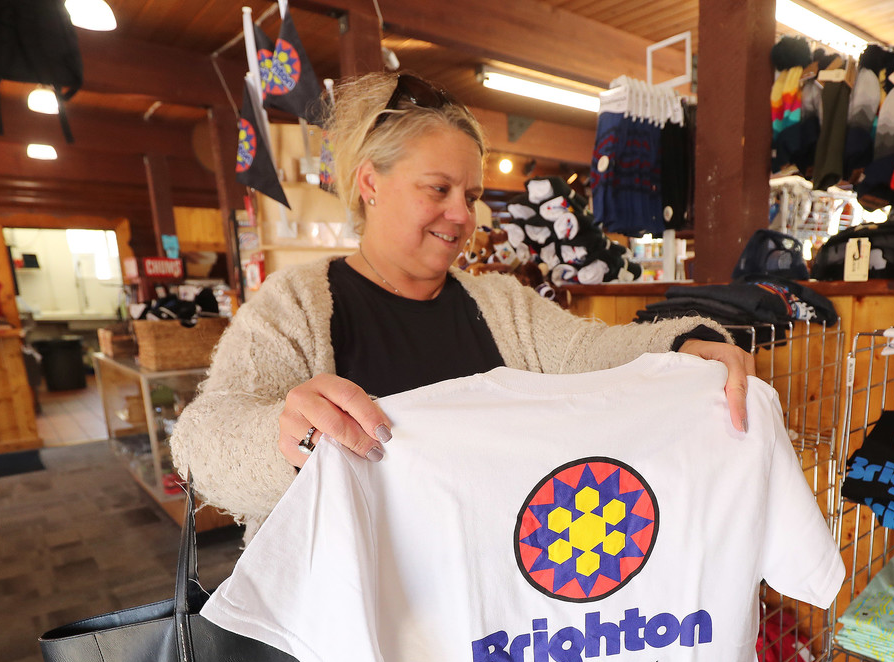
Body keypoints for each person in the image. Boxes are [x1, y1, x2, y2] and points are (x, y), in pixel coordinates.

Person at [171, 71, 753, 545]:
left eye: (471, 196)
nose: (464, 216)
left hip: (491, 617)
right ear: (370, 182)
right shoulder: (294, 306)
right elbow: (201, 446)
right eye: (439, 189)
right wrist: (280, 433)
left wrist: (679, 346)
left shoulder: (500, 305)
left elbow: (588, 352)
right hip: (352, 640)